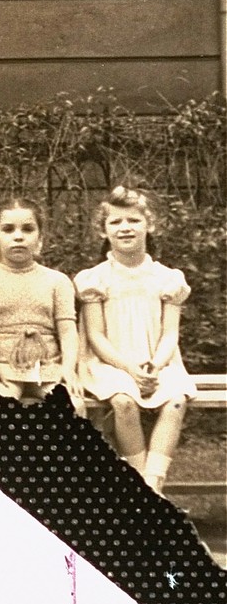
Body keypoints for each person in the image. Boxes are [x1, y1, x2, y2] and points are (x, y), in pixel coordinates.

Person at [75, 186, 196, 492]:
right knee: (124, 402)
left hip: (158, 360)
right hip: (111, 362)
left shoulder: (167, 278)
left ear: (149, 224)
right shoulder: (95, 279)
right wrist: (130, 368)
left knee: (176, 402)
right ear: (103, 229)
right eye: (115, 222)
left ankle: (152, 484)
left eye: (133, 220)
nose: (125, 227)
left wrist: (155, 365)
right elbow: (96, 336)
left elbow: (170, 333)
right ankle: (139, 487)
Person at [0, 197, 80, 404]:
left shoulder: (57, 281)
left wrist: (68, 369)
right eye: (8, 230)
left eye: (27, 229)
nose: (18, 237)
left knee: (72, 405)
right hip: (0, 367)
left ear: (40, 238)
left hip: (47, 369)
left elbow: (68, 332)